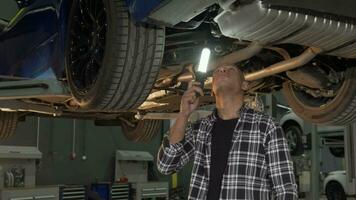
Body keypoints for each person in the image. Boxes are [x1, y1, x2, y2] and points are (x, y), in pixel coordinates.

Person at [157, 65, 298, 200]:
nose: (223, 69)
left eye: (231, 69)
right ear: (212, 89)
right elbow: (166, 165)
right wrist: (184, 114)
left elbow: (285, 189)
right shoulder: (200, 129)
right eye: (217, 71)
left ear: (244, 85)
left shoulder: (266, 127)